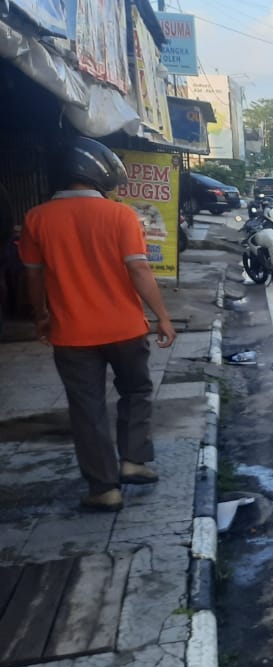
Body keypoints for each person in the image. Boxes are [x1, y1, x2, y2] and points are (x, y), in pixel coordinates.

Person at [19, 137, 177, 512]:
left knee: (86, 409)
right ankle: (134, 461)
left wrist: (40, 314)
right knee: (136, 391)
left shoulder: (36, 218)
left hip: (72, 334)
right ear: (100, 173)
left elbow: (33, 276)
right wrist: (162, 317)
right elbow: (138, 269)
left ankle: (104, 489)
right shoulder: (120, 215)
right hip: (125, 328)